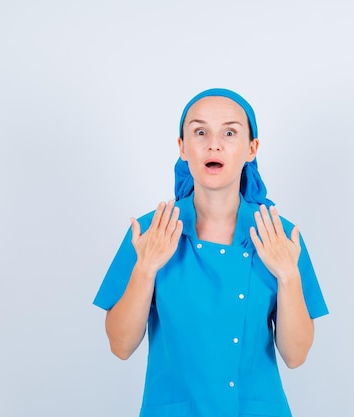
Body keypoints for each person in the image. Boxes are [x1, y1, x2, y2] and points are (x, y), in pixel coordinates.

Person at [93, 88, 328, 417]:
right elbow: (120, 346)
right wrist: (145, 268)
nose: (213, 144)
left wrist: (288, 275)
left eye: (229, 132)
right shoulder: (150, 233)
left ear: (251, 149)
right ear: (182, 147)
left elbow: (296, 355)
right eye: (200, 132)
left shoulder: (279, 236)